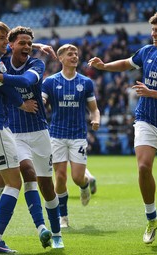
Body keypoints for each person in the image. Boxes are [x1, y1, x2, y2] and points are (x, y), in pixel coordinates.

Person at [88, 10, 157, 244]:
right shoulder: (147, 52)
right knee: (144, 166)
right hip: (146, 118)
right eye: (152, 29)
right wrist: (104, 66)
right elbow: (126, 63)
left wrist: (151, 92)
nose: (153, 34)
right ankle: (151, 217)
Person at [0, 26, 64, 249]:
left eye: (29, 43)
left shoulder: (35, 63)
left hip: (38, 132)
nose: (26, 47)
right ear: (10, 45)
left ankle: (55, 232)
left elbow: (26, 81)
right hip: (9, 131)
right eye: (20, 43)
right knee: (22, 174)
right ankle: (36, 229)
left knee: (45, 186)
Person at [42, 44, 100, 228]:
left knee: (76, 177)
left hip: (77, 135)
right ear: (60, 58)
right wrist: (40, 102)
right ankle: (63, 217)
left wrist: (96, 119)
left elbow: (94, 109)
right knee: (60, 177)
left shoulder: (85, 82)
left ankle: (85, 186)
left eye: (76, 53)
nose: (74, 56)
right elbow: (42, 100)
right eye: (70, 54)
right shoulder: (50, 82)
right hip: (57, 135)